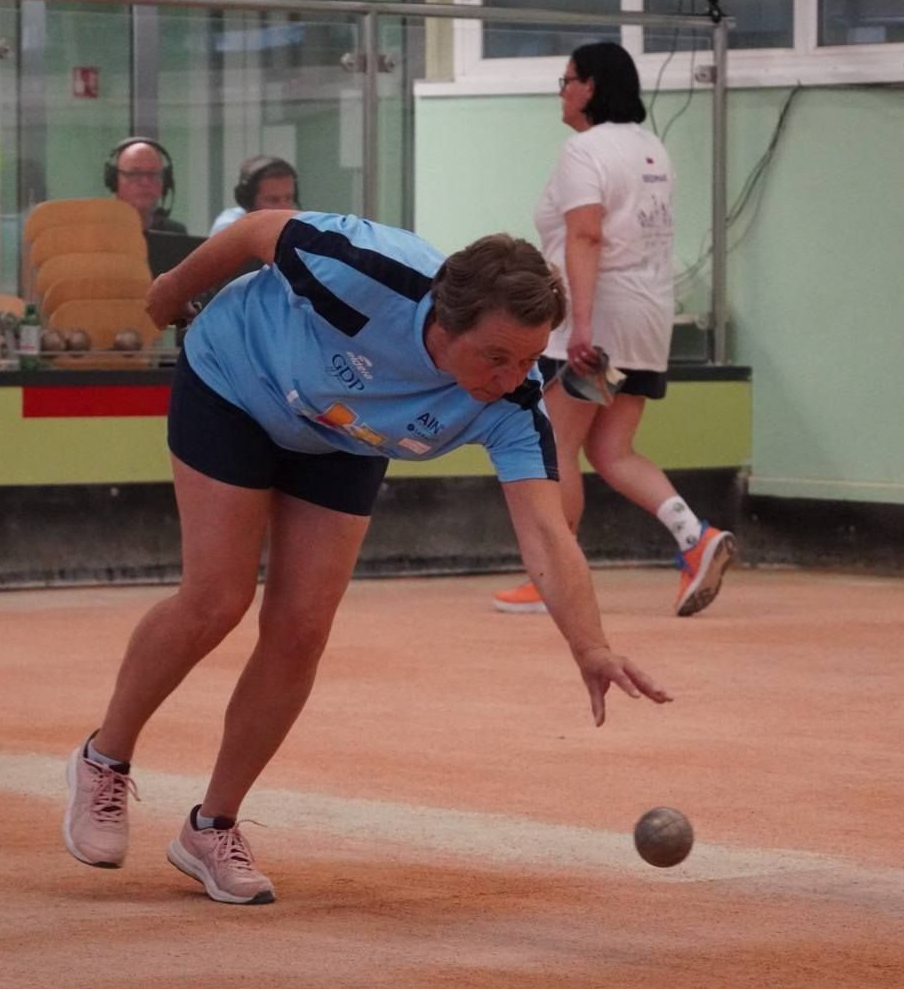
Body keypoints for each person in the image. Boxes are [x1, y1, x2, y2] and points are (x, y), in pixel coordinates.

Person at [63, 208, 673, 905]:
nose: (513, 377)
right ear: (445, 324)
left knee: (300, 630)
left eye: (530, 359)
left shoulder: (512, 404)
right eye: (496, 357)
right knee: (217, 599)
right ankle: (104, 758)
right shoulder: (368, 273)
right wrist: (173, 289)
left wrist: (590, 646)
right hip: (237, 380)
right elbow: (260, 230)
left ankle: (211, 827)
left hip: (344, 436)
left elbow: (546, 531)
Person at [492, 42, 736, 619]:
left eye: (567, 80)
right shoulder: (652, 149)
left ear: (592, 87)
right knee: (611, 449)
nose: (562, 91)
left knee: (555, 445)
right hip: (647, 315)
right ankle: (696, 537)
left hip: (597, 320)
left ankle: (554, 578)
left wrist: (580, 326)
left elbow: (586, 235)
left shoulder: (585, 151)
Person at [104, 136, 188, 234]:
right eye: (134, 174)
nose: (145, 182)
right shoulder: (93, 231)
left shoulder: (174, 233)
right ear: (114, 181)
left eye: (153, 174)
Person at [209, 155, 299, 236]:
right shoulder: (229, 227)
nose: (284, 208)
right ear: (248, 200)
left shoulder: (298, 225)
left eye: (288, 198)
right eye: (273, 200)